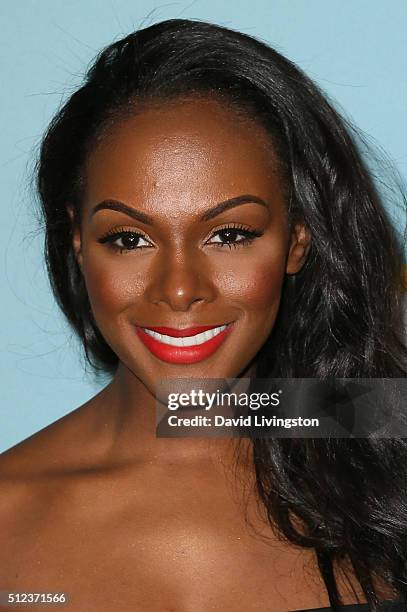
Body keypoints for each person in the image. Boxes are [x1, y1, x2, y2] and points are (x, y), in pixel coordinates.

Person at [1, 17, 406, 612]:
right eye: (129, 239)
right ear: (77, 241)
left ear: (297, 239)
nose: (180, 289)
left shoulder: (379, 448)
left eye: (231, 234)